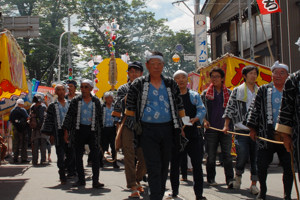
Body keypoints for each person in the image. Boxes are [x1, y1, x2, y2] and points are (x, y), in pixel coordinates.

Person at [125, 51, 185, 200]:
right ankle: (156, 196)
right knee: (153, 164)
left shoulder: (171, 83)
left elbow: (179, 105)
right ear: (147, 66)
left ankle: (157, 190)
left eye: (159, 64)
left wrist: (184, 126)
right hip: (147, 129)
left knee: (165, 164)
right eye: (153, 64)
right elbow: (130, 108)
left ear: (163, 66)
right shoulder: (138, 84)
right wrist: (132, 131)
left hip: (168, 129)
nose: (156, 67)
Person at [246, 61, 292, 200]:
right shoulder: (264, 90)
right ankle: (263, 191)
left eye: (281, 73)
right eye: (275, 73)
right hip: (267, 133)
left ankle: (287, 194)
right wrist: (253, 128)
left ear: (287, 75)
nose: (277, 75)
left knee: (288, 167)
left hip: (287, 136)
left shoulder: (292, 90)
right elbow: (255, 108)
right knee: (262, 165)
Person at [222, 65, 260, 195]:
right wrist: (226, 125)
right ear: (244, 76)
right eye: (251, 73)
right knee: (242, 155)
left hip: (256, 130)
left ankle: (254, 184)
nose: (253, 76)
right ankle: (238, 176)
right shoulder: (237, 91)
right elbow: (230, 108)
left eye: (255, 73)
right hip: (241, 130)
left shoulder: (260, 91)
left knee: (256, 158)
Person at [170, 70, 207, 200]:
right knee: (175, 164)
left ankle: (199, 194)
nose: (181, 80)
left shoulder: (194, 95)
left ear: (187, 80)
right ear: (174, 82)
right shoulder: (172, 98)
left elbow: (202, 109)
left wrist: (196, 119)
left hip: (193, 134)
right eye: (177, 78)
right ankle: (174, 192)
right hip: (176, 135)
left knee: (197, 165)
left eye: (183, 78)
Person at [112, 61, 146, 198]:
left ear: (141, 73)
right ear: (128, 73)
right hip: (127, 124)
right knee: (129, 157)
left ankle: (137, 179)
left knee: (146, 156)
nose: (134, 74)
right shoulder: (122, 88)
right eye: (131, 71)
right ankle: (132, 185)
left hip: (145, 126)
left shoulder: (148, 88)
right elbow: (118, 106)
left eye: (136, 71)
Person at [62, 79, 104, 189]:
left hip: (92, 131)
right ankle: (81, 180)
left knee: (95, 157)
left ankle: (96, 181)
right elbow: (69, 116)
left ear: (91, 88)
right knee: (78, 156)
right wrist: (66, 132)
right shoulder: (76, 101)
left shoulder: (96, 101)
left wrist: (101, 137)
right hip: (78, 130)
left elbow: (100, 119)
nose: (83, 89)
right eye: (82, 87)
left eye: (86, 87)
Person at [201, 67, 234, 188]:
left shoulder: (229, 93)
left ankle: (230, 179)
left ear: (222, 79)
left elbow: (231, 111)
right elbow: (201, 110)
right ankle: (211, 178)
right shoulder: (205, 94)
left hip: (226, 128)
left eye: (217, 77)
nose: (214, 79)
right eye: (212, 77)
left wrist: (227, 125)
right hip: (211, 129)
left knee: (227, 156)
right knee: (211, 156)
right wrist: (204, 120)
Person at [41, 84, 74, 184]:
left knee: (71, 154)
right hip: (58, 132)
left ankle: (68, 169)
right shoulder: (52, 106)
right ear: (56, 92)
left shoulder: (71, 104)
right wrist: (51, 134)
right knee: (60, 154)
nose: (61, 92)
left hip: (69, 132)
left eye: (63, 90)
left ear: (65, 92)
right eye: (58, 90)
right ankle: (62, 174)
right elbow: (49, 120)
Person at [101, 91, 119, 169]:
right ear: (105, 99)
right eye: (108, 98)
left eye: (111, 98)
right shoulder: (102, 107)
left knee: (113, 146)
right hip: (104, 129)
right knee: (103, 146)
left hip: (112, 129)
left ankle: (114, 162)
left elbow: (117, 117)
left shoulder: (114, 107)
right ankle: (100, 162)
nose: (110, 99)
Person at [9, 99, 29, 163]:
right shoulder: (23, 110)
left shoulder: (12, 111)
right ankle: (23, 159)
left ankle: (15, 158)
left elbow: (10, 120)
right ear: (21, 104)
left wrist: (16, 124)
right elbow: (27, 118)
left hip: (15, 129)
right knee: (24, 144)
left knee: (16, 144)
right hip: (23, 129)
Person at [30, 95, 47, 166]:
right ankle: (43, 160)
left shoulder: (32, 107)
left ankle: (34, 160)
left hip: (34, 129)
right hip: (41, 129)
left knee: (35, 145)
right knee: (43, 145)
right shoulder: (42, 107)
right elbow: (42, 118)